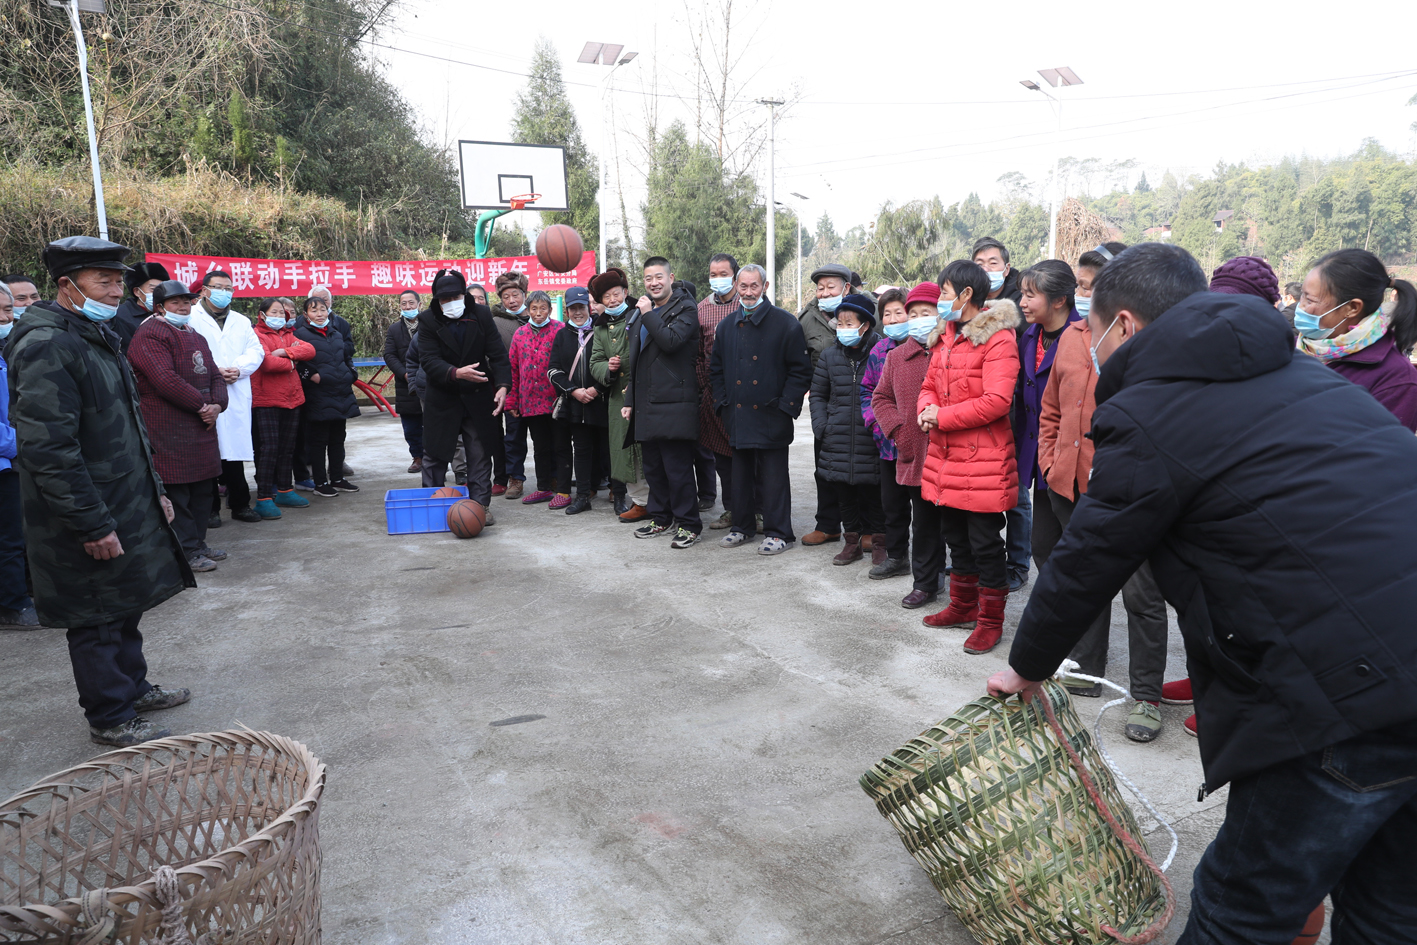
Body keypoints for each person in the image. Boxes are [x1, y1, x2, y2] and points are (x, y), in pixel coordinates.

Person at [988, 241, 1417, 945]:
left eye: (1086, 327)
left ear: (1122, 326)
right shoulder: (1307, 376)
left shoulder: (1153, 410)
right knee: (1390, 908)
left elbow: (1090, 554)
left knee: (1243, 906)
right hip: (1388, 659)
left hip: (1343, 691)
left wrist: (1026, 666)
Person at [8, 237, 194, 746]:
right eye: (104, 282)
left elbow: (128, 427)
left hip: (123, 498)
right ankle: (110, 714)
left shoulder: (94, 333)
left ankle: (133, 687)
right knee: (96, 615)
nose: (116, 292)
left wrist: (154, 491)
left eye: (119, 282)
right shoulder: (47, 345)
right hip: (83, 511)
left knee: (123, 602)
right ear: (68, 285)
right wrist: (90, 521)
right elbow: (49, 448)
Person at [1034, 252, 1171, 741]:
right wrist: (1051, 461)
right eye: (1084, 285)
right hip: (1070, 484)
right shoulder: (1072, 339)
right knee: (1082, 584)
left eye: (1095, 286)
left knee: (1141, 596)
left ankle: (1146, 697)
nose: (1088, 295)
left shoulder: (1149, 342)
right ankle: (1084, 671)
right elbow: (1052, 408)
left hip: (1127, 494)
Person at [917, 260, 1021, 654]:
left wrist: (940, 416)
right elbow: (928, 385)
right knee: (954, 537)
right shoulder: (944, 338)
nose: (941, 301)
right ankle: (962, 606)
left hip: (983, 460)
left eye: (944, 293)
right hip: (945, 455)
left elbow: (996, 401)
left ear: (965, 295)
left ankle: (990, 621)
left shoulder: (998, 339)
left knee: (985, 542)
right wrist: (924, 410)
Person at [709, 264, 813, 555]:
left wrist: (785, 408)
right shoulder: (727, 326)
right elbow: (715, 369)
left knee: (774, 477)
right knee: (739, 475)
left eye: (755, 286)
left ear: (765, 287)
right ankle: (741, 527)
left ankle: (779, 532)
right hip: (738, 414)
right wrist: (723, 405)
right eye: (743, 286)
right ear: (736, 287)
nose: (749, 292)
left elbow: (800, 371)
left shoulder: (785, 323)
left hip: (772, 414)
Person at [127, 281, 230, 572]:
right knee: (178, 492)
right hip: (168, 425)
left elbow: (215, 374)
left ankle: (198, 543)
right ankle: (184, 550)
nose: (183, 307)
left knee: (202, 491)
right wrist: (202, 407)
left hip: (201, 426)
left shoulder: (195, 335)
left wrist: (218, 406)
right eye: (175, 303)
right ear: (159, 307)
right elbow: (165, 380)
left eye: (186, 301)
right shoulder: (150, 334)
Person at [871, 284, 949, 609]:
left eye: (925, 313)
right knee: (925, 522)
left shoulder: (951, 351)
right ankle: (925, 583)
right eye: (912, 314)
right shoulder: (896, 357)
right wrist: (899, 432)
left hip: (954, 454)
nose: (918, 320)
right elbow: (880, 398)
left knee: (959, 526)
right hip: (916, 454)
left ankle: (961, 584)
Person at [622, 256, 702, 548]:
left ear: (671, 278)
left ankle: (690, 524)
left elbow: (671, 342)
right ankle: (661, 517)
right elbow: (637, 361)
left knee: (677, 469)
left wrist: (647, 313)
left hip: (675, 402)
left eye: (658, 277)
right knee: (653, 468)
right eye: (647, 279)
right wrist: (630, 399)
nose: (653, 283)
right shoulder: (643, 314)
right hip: (647, 402)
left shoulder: (686, 308)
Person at [418, 269, 510, 511]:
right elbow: (428, 360)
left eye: (455, 297)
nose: (451, 303)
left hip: (478, 395)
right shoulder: (428, 320)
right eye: (444, 299)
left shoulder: (481, 314)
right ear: (437, 300)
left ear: (464, 295)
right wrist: (455, 373)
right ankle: (433, 506)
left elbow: (498, 354)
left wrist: (502, 386)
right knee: (435, 454)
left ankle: (480, 508)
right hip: (442, 396)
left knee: (479, 454)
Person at [1295, 248, 1417, 431]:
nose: (1300, 307)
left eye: (1310, 300)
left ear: (1352, 308)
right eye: (1302, 296)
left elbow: (1382, 454)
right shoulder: (1296, 349)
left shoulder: (1397, 381)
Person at [971, 237, 1029, 591]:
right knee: (979, 495)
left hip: (1015, 412)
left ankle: (1018, 564)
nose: (986, 269)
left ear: (1006, 268)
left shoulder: (1020, 303)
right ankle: (978, 562)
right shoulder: (966, 302)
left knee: (1017, 496)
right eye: (979, 263)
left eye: (993, 262)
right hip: (975, 415)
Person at [811, 293, 884, 566]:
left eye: (848, 322)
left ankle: (879, 544)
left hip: (871, 438)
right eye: (839, 323)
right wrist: (822, 427)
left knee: (875, 496)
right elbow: (817, 395)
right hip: (836, 437)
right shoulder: (829, 356)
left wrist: (882, 427)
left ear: (865, 325)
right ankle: (851, 544)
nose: (842, 328)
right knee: (845, 495)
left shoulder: (882, 352)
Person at [189, 269, 264, 526]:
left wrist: (239, 369)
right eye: (218, 287)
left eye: (228, 288)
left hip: (235, 388)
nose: (224, 293)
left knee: (233, 452)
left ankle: (240, 504)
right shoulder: (190, 317)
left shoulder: (241, 321)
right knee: (208, 452)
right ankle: (210, 509)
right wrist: (215, 371)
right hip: (204, 391)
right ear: (204, 290)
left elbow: (256, 351)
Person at [799, 263, 853, 546]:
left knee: (863, 469)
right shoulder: (807, 319)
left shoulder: (868, 311)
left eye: (831, 286)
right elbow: (798, 363)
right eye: (820, 288)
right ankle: (828, 525)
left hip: (861, 402)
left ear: (846, 288)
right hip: (826, 404)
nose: (825, 292)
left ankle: (866, 529)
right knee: (825, 468)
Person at [589, 267, 648, 521]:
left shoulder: (641, 315)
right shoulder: (600, 328)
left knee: (649, 451)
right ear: (600, 301)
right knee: (624, 453)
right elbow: (594, 363)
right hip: (617, 400)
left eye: (616, 294)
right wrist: (607, 368)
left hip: (644, 394)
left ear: (626, 292)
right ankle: (640, 502)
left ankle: (662, 500)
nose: (612, 300)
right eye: (606, 297)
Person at [860, 287, 912, 578]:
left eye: (899, 313)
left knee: (928, 509)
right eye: (887, 314)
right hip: (887, 443)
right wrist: (874, 422)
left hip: (919, 444)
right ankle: (897, 557)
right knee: (893, 506)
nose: (893, 319)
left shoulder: (928, 347)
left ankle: (934, 564)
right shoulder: (880, 350)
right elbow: (867, 390)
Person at [250, 298, 315, 519]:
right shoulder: (256, 335)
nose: (279, 315)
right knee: (269, 449)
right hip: (266, 399)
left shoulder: (288, 334)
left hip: (292, 397)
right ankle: (264, 497)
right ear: (262, 315)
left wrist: (285, 352)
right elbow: (267, 363)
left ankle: (286, 490)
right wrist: (292, 362)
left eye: (282, 312)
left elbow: (309, 350)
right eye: (274, 312)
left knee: (288, 448)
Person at [0, 281, 39, 629]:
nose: (6, 317)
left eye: (7, 310)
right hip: (6, 457)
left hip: (13, 457)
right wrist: (20, 443)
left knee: (19, 535)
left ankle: (24, 594)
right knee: (9, 539)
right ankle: (13, 605)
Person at [548, 286, 606, 514]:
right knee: (581, 449)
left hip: (600, 401)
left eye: (581, 307)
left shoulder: (601, 330)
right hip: (575, 403)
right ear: (567, 310)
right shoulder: (561, 335)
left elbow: (612, 364)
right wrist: (574, 390)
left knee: (606, 450)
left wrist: (596, 389)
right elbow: (553, 370)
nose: (578, 312)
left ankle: (617, 492)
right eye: (573, 308)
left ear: (589, 308)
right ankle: (583, 496)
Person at [294, 295, 360, 498]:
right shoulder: (300, 335)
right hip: (318, 395)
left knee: (338, 438)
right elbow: (298, 363)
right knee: (318, 441)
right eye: (314, 310)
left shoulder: (336, 333)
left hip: (341, 393)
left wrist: (351, 373)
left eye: (322, 309)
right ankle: (321, 482)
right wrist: (313, 377)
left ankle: (338, 478)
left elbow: (346, 357)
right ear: (306, 314)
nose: (319, 314)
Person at [504, 290, 561, 504]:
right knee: (540, 445)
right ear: (528, 310)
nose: (538, 313)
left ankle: (560, 482)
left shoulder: (560, 330)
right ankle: (544, 485)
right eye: (534, 309)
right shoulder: (520, 334)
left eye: (543, 308)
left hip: (555, 400)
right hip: (530, 402)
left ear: (550, 310)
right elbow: (513, 370)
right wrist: (512, 400)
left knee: (560, 444)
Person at [697, 252, 741, 529]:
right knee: (722, 459)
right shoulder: (701, 308)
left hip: (747, 396)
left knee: (750, 459)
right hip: (713, 395)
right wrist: (705, 387)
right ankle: (731, 510)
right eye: (713, 274)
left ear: (735, 277)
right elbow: (698, 354)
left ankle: (756, 510)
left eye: (724, 274)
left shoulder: (749, 304)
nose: (718, 279)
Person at [491, 271, 531, 498]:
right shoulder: (495, 322)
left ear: (524, 294)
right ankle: (515, 478)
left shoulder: (537, 316)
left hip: (538, 390)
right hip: (511, 388)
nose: (511, 300)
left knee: (545, 437)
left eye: (515, 294)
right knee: (513, 436)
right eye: (506, 297)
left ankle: (551, 477)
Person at [384, 289, 425, 474]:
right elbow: (389, 355)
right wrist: (405, 374)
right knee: (411, 427)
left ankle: (434, 457)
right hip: (405, 384)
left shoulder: (429, 325)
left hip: (428, 382)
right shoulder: (394, 329)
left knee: (432, 424)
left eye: (411, 303)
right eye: (404, 304)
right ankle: (417, 457)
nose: (408, 307)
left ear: (419, 304)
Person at [112, 262, 169, 354]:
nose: (159, 294)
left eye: (163, 290)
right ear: (137, 291)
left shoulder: (168, 315)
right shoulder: (120, 316)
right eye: (153, 290)